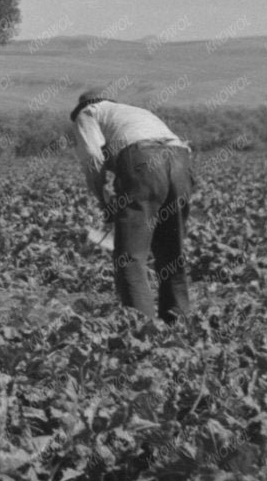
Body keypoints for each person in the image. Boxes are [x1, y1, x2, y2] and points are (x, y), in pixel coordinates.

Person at [68, 89, 194, 322]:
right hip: (180, 163)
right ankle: (179, 325)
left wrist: (102, 199)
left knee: (130, 258)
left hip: (143, 162)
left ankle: (140, 334)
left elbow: (93, 158)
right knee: (171, 254)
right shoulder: (133, 112)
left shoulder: (87, 113)